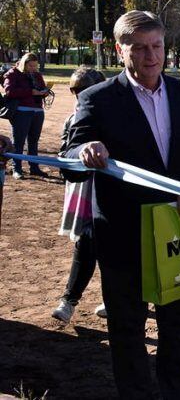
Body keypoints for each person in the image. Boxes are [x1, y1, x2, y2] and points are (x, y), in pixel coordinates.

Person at [65, 10, 180, 399]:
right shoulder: (96, 99)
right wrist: (85, 149)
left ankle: (177, 394)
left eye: (157, 46)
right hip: (122, 232)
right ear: (120, 51)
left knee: (179, 322)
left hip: (178, 226)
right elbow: (70, 160)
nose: (151, 57)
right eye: (139, 48)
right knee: (127, 326)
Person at [52, 67, 107, 324]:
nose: (81, 97)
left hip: (110, 193)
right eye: (78, 92)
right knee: (85, 245)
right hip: (84, 192)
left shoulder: (113, 117)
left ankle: (111, 298)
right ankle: (69, 300)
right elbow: (66, 151)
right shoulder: (71, 119)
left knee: (114, 249)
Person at [2, 52, 51, 179]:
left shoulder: (37, 75)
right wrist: (30, 92)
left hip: (37, 112)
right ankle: (16, 168)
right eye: (30, 66)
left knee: (33, 141)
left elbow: (41, 88)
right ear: (24, 64)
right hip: (21, 112)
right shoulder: (13, 74)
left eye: (35, 66)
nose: (33, 69)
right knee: (18, 142)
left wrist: (44, 92)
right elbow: (9, 91)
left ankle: (34, 167)